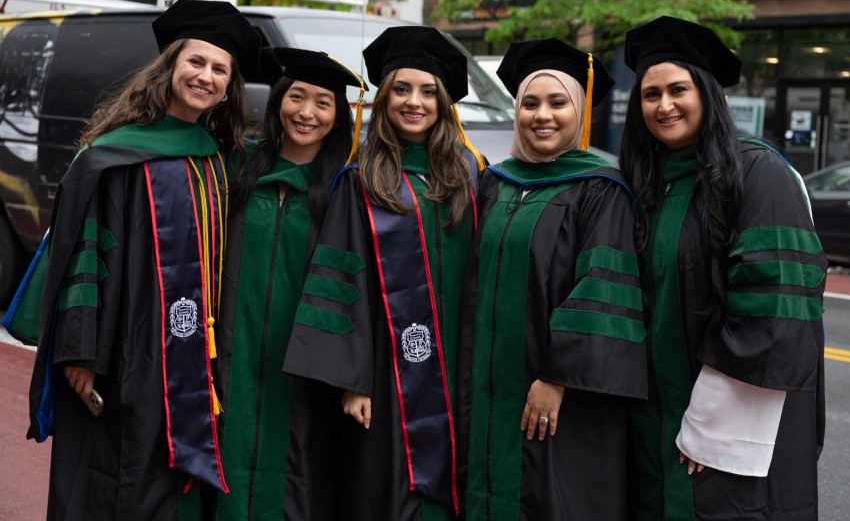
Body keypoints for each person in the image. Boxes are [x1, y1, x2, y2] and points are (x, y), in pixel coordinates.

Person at [7, 0, 261, 520]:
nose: (205, 76)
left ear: (229, 86)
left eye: (219, 69)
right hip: (121, 351)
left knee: (166, 483)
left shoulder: (215, 157)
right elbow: (83, 252)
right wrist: (82, 354)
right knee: (114, 479)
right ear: (170, 65)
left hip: (189, 352)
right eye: (196, 62)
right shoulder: (115, 154)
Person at [619, 16, 826, 520]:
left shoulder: (757, 173)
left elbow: (772, 312)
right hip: (656, 420)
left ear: (708, 94)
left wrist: (712, 425)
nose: (664, 105)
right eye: (650, 94)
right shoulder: (645, 184)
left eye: (677, 89)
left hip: (728, 425)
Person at [282, 25, 485, 520]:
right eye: (401, 89)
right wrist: (355, 381)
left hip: (462, 363)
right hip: (387, 370)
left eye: (427, 92)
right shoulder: (362, 178)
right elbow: (340, 279)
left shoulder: (470, 173)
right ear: (383, 97)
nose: (414, 102)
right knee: (391, 487)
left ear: (443, 103)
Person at [456, 38, 647, 520]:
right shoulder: (494, 182)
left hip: (557, 394)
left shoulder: (600, 190)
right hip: (487, 387)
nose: (543, 115)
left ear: (579, 111)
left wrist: (556, 377)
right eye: (530, 103)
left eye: (558, 102)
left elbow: (602, 289)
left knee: (551, 496)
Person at [212, 47, 366, 520]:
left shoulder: (350, 187)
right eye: (296, 97)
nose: (306, 112)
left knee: (300, 479)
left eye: (323, 102)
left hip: (305, 373)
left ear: (339, 115)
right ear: (278, 101)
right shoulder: (236, 171)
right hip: (230, 364)